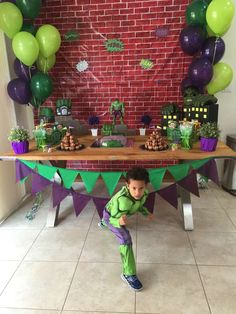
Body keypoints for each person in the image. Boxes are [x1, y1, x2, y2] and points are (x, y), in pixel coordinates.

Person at [98, 167, 153, 291]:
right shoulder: (123, 201)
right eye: (134, 188)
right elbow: (112, 219)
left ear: (145, 186)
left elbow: (139, 205)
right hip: (111, 216)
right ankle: (128, 274)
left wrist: (146, 213)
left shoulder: (144, 193)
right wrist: (118, 221)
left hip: (117, 213)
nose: (137, 192)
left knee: (108, 222)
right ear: (127, 185)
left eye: (141, 188)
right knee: (125, 238)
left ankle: (102, 223)